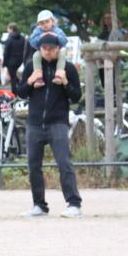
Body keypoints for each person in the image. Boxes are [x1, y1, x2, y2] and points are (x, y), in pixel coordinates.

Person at [16, 33, 83, 218]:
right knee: (33, 165)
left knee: (64, 163)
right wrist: (30, 81)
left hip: (57, 122)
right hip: (35, 122)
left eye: (51, 49)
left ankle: (74, 204)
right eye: (44, 48)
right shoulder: (31, 66)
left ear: (57, 49)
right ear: (40, 49)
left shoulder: (67, 68)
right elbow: (21, 93)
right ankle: (39, 205)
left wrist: (66, 83)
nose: (47, 52)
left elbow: (77, 96)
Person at [28, 10, 68, 85]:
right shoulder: (37, 31)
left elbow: (64, 41)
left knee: (62, 53)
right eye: (42, 23)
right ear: (38, 24)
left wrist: (56, 36)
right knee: (36, 55)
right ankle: (38, 77)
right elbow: (32, 42)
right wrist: (40, 36)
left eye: (47, 22)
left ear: (52, 21)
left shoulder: (57, 30)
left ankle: (59, 75)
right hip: (43, 52)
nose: (45, 25)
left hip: (55, 51)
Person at [2, 23, 27, 94]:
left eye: (8, 29)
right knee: (17, 77)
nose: (7, 30)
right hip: (21, 61)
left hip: (11, 62)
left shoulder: (9, 39)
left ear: (11, 29)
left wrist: (4, 64)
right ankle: (21, 87)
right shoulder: (23, 38)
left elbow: (6, 52)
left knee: (13, 78)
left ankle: (15, 93)